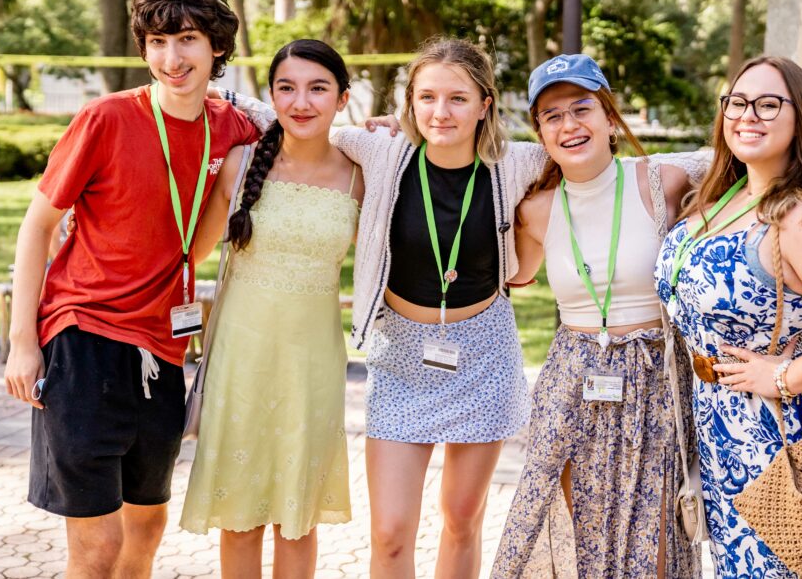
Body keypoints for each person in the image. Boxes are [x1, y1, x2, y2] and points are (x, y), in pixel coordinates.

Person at [225, 36, 546, 578]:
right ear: (410, 103)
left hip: (485, 353)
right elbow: (295, 111)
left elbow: (604, 162)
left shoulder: (517, 162)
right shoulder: (381, 151)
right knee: (391, 532)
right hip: (400, 356)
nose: (440, 112)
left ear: (485, 103)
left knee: (462, 518)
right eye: (427, 98)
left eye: (457, 99)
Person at [3, 0, 259, 578]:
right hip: (83, 341)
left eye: (188, 39)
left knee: (146, 527)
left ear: (217, 47)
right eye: (157, 41)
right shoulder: (105, 119)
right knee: (97, 546)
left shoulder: (232, 127)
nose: (172, 58)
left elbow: (307, 125)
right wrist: (22, 343)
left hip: (164, 351)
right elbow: (37, 227)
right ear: (144, 49)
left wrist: (376, 130)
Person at [653, 56, 802, 578]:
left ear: (800, 117)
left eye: (769, 104)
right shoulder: (723, 198)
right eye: (737, 103)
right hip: (722, 421)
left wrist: (782, 376)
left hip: (785, 427)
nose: (749, 115)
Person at [492, 54, 703, 578]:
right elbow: (514, 277)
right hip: (573, 379)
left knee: (654, 536)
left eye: (582, 108)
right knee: (575, 527)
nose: (569, 125)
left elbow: (729, 155)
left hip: (655, 377)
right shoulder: (535, 210)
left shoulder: (663, 182)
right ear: (539, 133)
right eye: (552, 116)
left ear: (610, 118)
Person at [179, 39, 363, 577]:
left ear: (342, 98)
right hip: (243, 355)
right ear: (272, 96)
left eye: (317, 88)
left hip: (312, 363)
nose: (301, 101)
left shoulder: (360, 174)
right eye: (287, 87)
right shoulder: (239, 165)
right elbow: (193, 250)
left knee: (297, 518)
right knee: (240, 518)